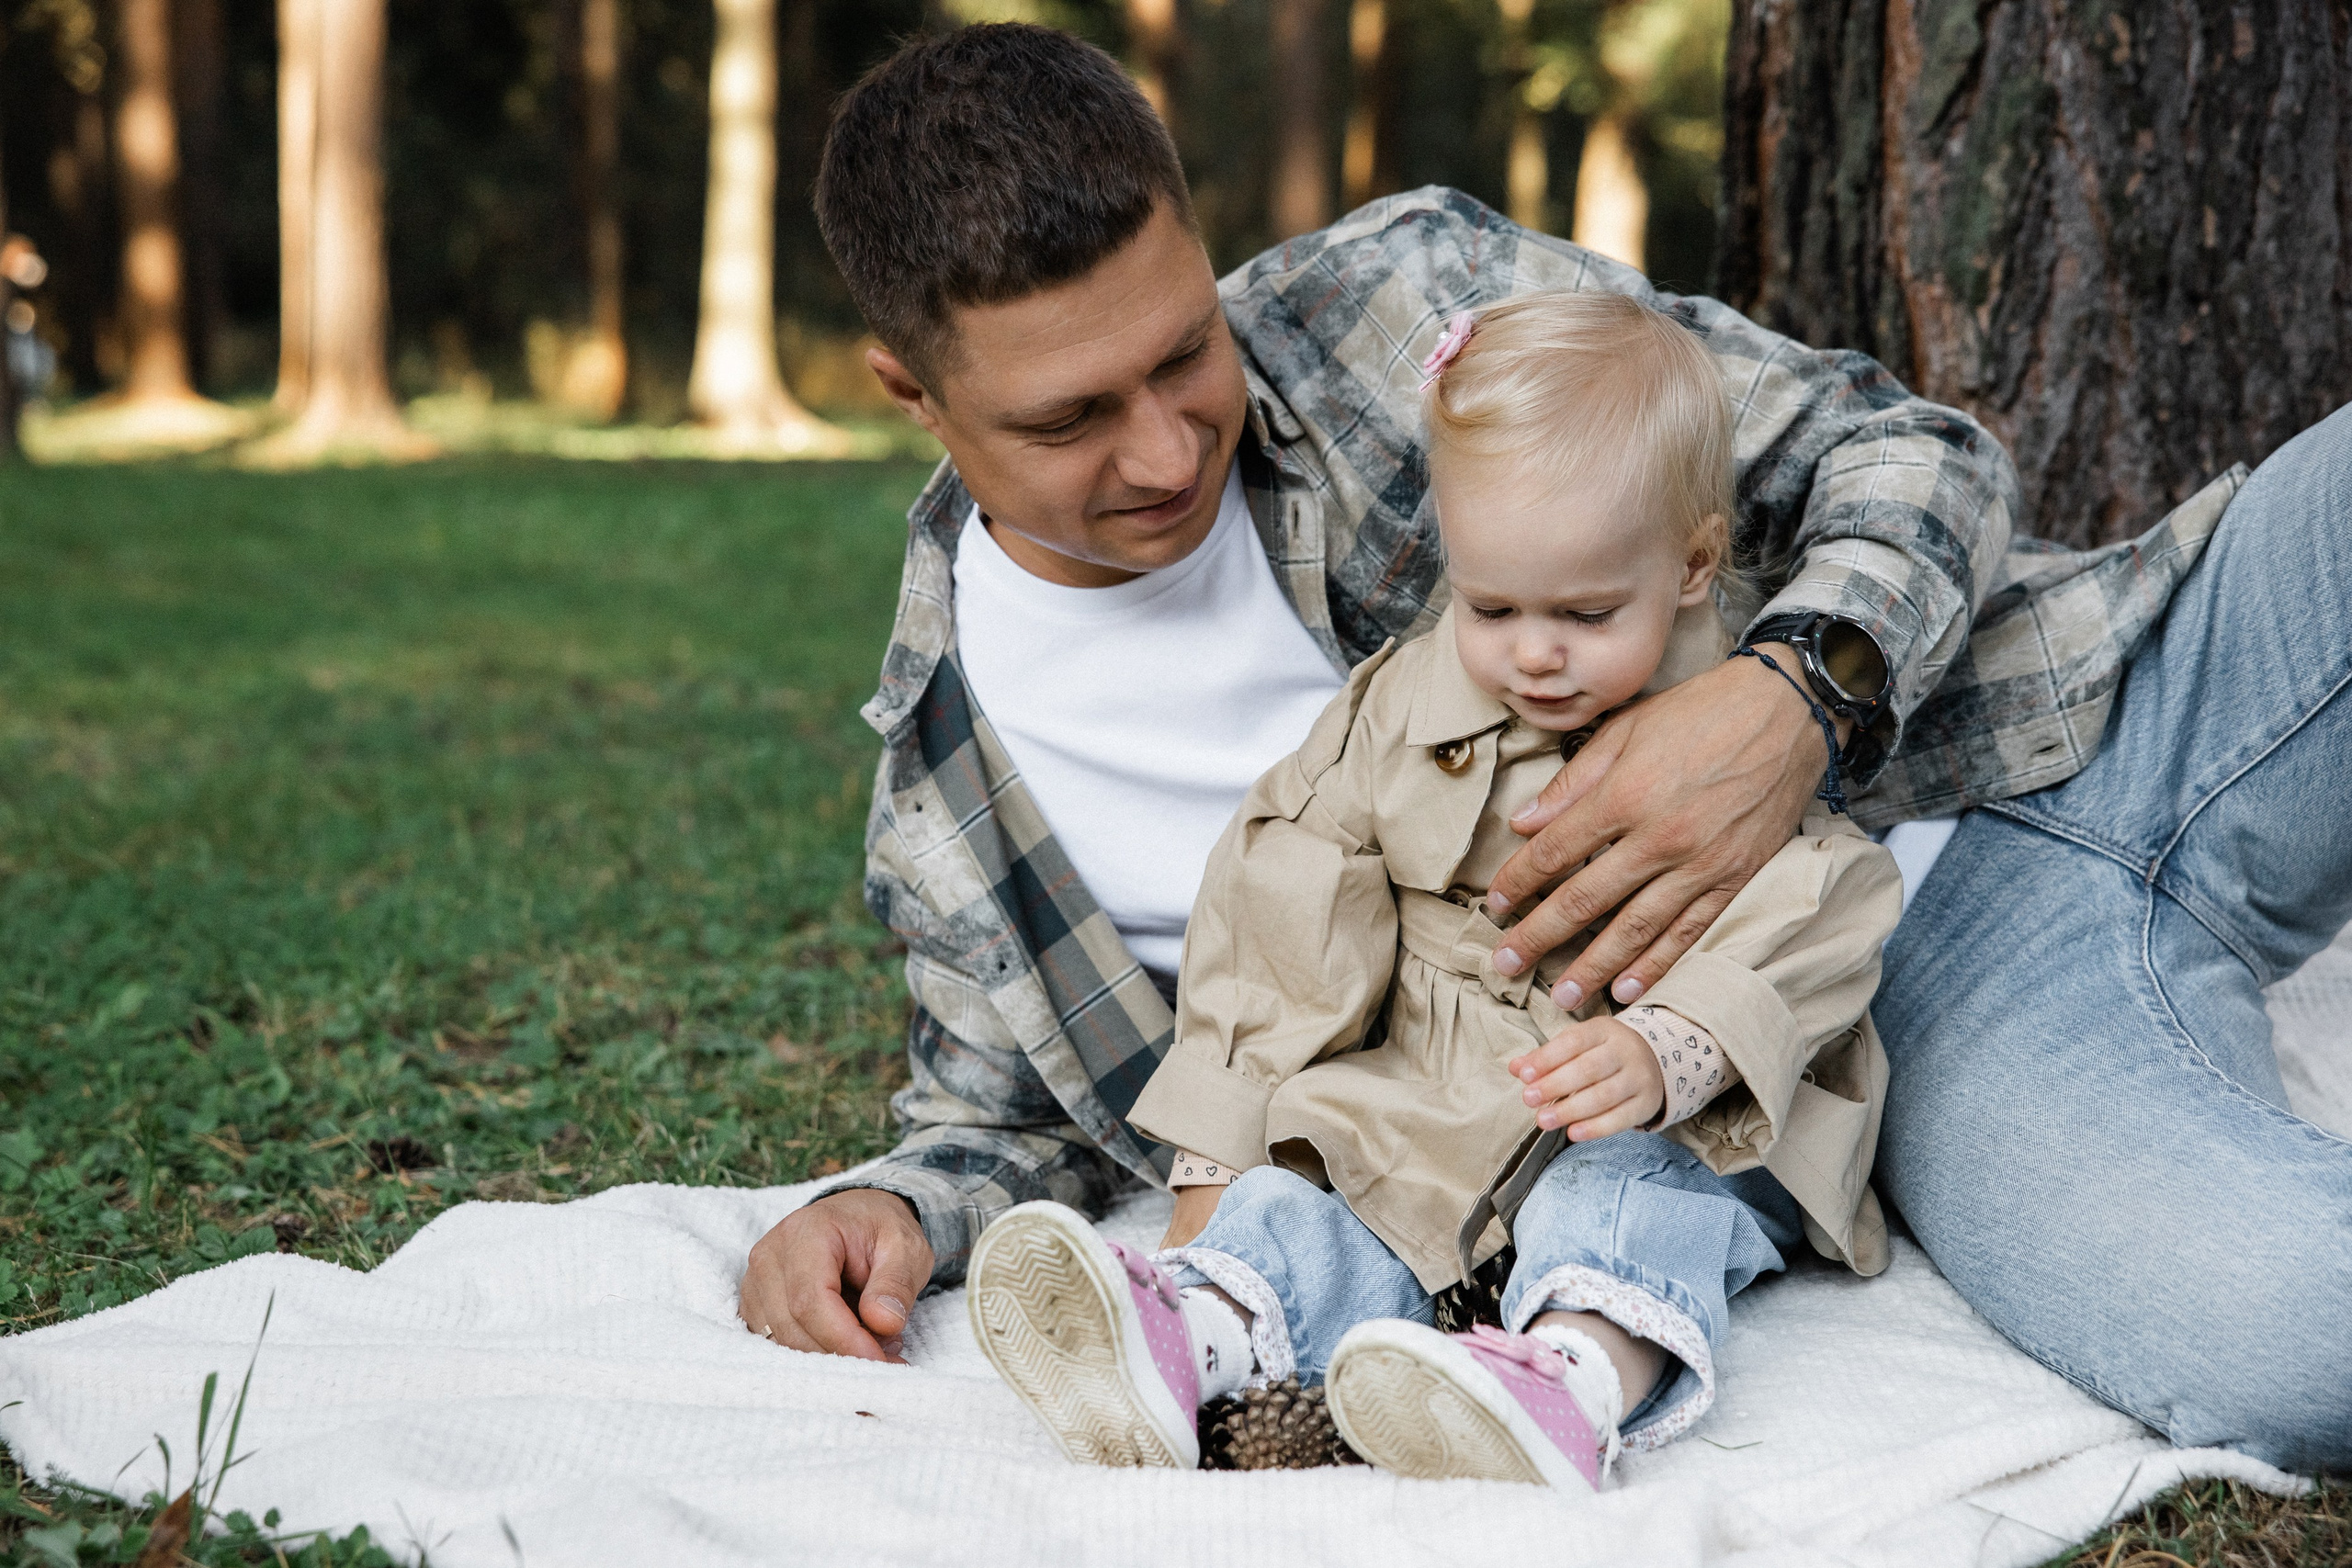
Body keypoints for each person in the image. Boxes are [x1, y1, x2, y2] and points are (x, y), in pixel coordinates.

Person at [734, 23, 2352, 1471]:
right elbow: (996, 1122)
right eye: (1069, 419)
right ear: (910, 391)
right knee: (2300, 1336)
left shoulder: (1400, 306)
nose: (1163, 449)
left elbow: (1908, 455)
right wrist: (892, 1207)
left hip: (2106, 696)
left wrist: (1794, 695)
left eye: (1180, 356)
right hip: (1919, 1006)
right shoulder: (959, 790)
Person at [961, 292, 1905, 1484]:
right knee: (1329, 1166)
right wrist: (1221, 1148)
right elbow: (1283, 897)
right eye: (1491, 606)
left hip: (1654, 1106)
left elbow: (1830, 897)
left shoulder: (1718, 747)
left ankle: (1569, 1377)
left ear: (1694, 564)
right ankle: (1200, 1333)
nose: (1534, 652)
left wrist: (1674, 1046)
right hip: (1443, 1083)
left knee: (1625, 1190)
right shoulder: (1400, 710)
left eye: (1584, 612)